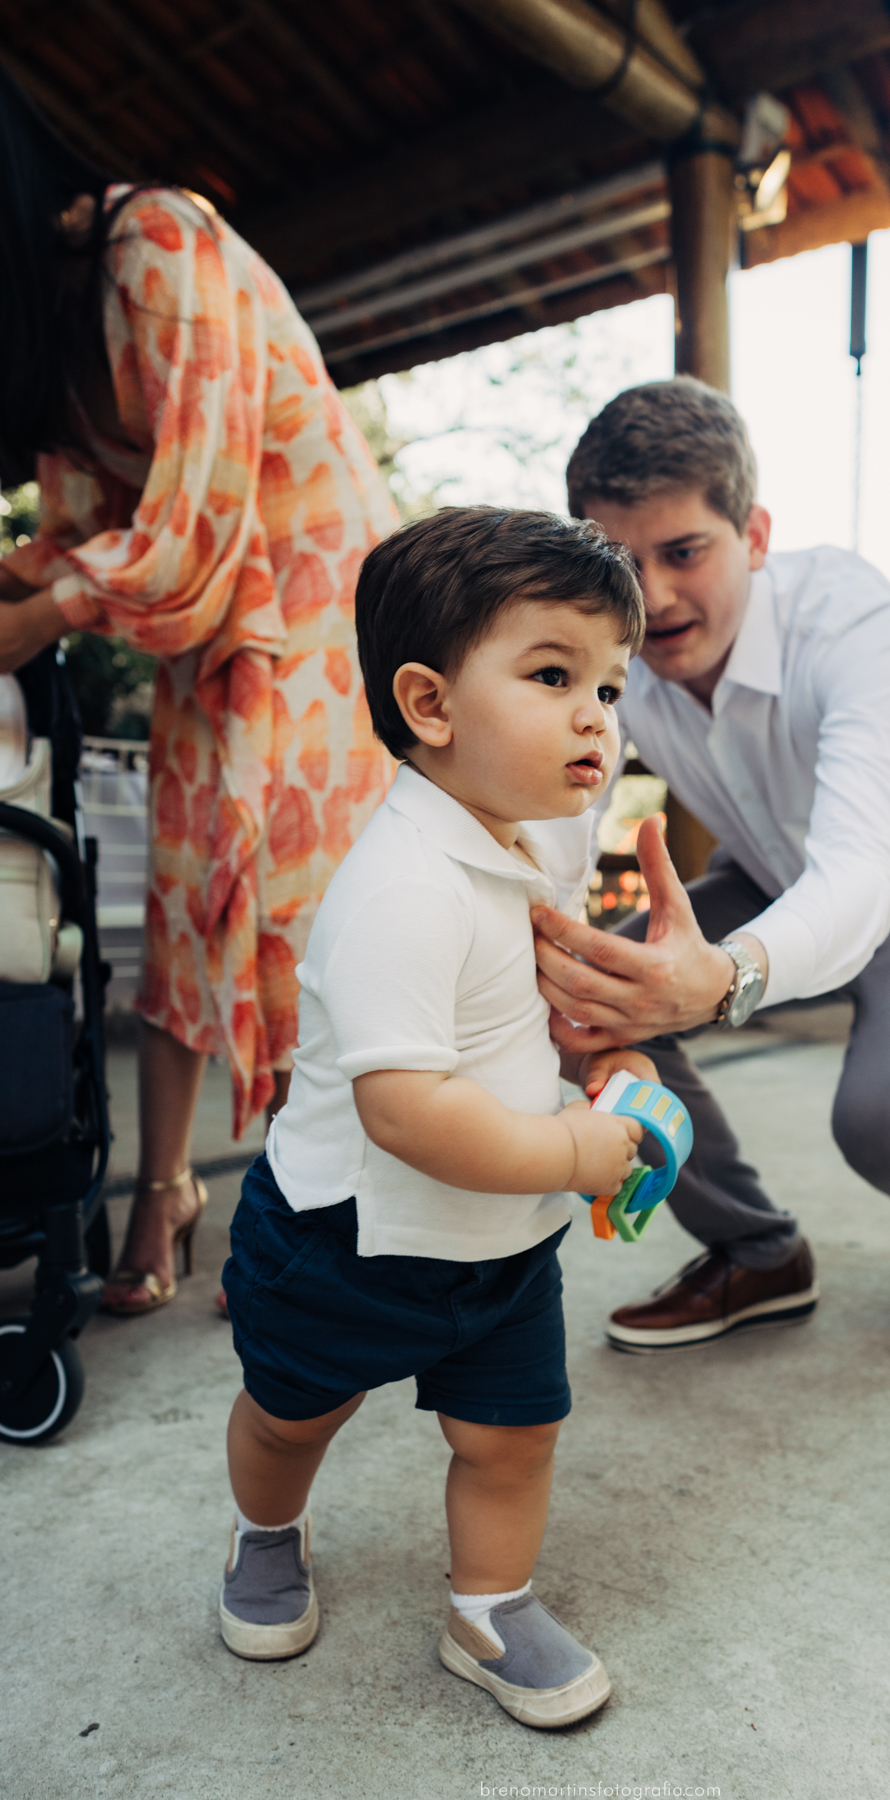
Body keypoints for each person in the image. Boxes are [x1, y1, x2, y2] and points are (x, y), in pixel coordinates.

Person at [218, 507, 655, 1728]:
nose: (595, 716)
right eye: (555, 675)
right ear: (429, 703)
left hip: (500, 1240)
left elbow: (544, 1008)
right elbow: (406, 1113)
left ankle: (489, 1605)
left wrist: (612, 1064)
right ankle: (266, 1531)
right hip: (348, 1240)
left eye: (610, 686)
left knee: (511, 1437)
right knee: (293, 1412)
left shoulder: (543, 839)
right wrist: (574, 1149)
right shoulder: (401, 887)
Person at [0, 72, 396, 1316]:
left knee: (294, 893)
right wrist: (25, 595)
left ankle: (313, 1201)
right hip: (198, 613)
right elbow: (77, 531)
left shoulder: (157, 239)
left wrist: (28, 617)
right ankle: (162, 1191)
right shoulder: (55, 324)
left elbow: (192, 519)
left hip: (307, 585)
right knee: (183, 888)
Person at [531, 378, 890, 1360]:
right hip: (767, 876)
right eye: (623, 564)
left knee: (887, 1123)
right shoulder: (610, 643)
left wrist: (722, 976)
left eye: (684, 552)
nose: (655, 598)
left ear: (753, 534)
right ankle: (756, 1251)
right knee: (592, 1004)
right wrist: (545, 946)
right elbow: (559, 819)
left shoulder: (854, 618)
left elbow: (859, 875)